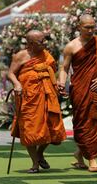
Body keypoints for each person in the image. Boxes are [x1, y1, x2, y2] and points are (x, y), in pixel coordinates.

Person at [58, 14, 97, 172]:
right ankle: (92, 159)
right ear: (79, 27)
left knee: (96, 123)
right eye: (86, 27)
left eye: (93, 26)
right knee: (83, 124)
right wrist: (62, 83)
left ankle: (80, 153)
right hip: (80, 90)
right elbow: (64, 68)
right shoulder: (71, 46)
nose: (90, 30)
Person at [8, 30, 66, 173]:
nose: (45, 43)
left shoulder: (46, 55)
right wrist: (17, 84)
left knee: (53, 126)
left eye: (45, 40)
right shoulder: (21, 55)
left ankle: (40, 153)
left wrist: (57, 83)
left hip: (47, 95)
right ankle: (35, 163)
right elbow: (10, 73)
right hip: (28, 97)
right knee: (30, 130)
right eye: (41, 41)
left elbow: (52, 71)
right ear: (31, 44)